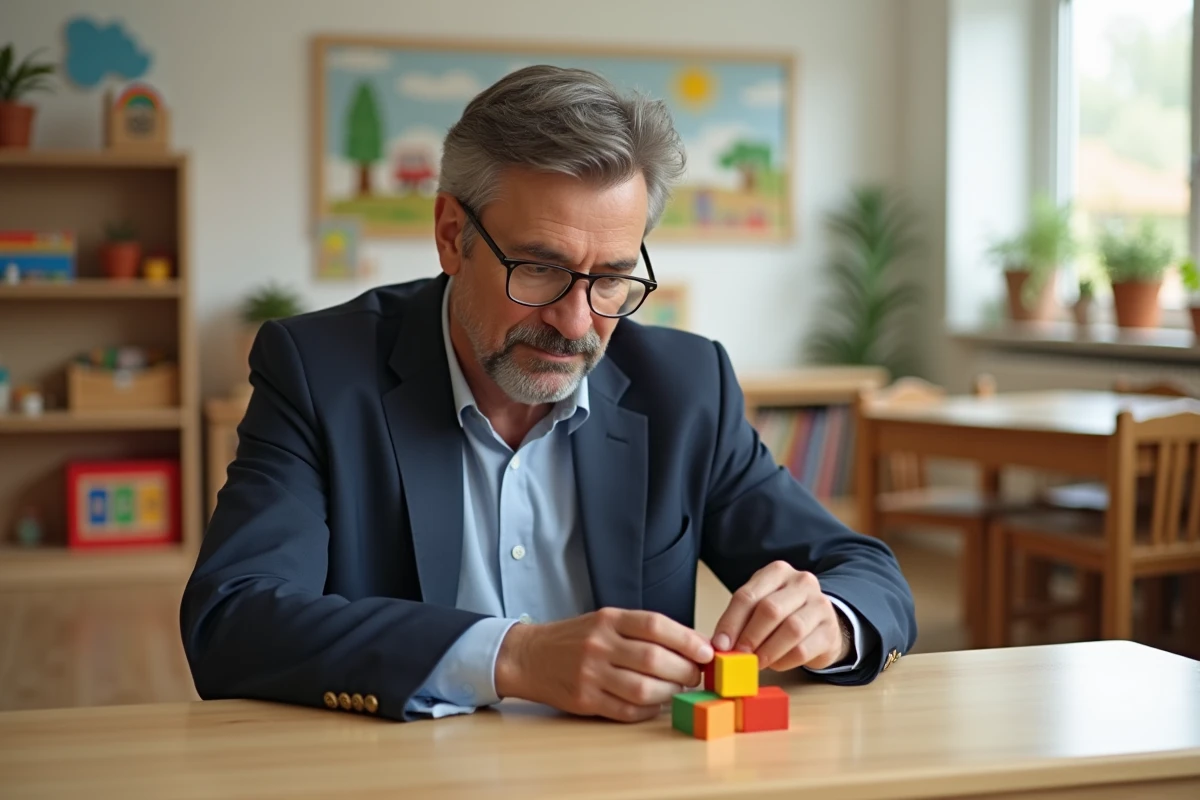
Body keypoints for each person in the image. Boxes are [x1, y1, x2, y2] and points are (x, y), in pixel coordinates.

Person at [180, 65, 916, 724]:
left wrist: (830, 620)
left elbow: (866, 573)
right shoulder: (320, 371)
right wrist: (514, 658)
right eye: (538, 268)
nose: (575, 322)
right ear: (449, 234)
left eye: (611, 278)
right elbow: (233, 619)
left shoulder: (686, 388)